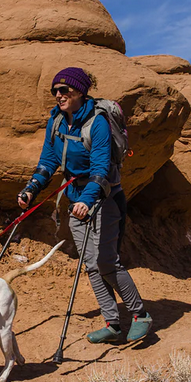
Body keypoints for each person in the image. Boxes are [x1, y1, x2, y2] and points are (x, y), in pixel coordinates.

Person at [17, 67, 152, 343]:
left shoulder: (97, 121)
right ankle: (113, 323)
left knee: (106, 261)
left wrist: (87, 200)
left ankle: (140, 315)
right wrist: (32, 188)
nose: (58, 95)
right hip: (75, 198)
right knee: (91, 263)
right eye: (55, 90)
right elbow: (48, 161)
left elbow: (101, 168)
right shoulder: (55, 121)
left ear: (79, 91)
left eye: (64, 90)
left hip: (105, 197)